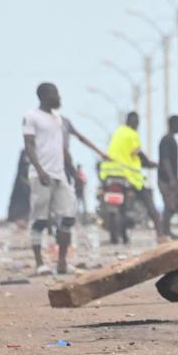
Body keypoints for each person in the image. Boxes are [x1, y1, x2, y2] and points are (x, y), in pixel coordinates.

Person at [23, 83, 105, 274]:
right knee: (40, 221)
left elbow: (62, 149)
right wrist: (40, 170)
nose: (59, 97)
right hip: (40, 175)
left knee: (68, 217)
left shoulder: (58, 119)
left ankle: (62, 262)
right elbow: (29, 146)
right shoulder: (31, 117)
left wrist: (74, 174)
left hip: (60, 175)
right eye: (55, 94)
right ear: (44, 96)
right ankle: (40, 264)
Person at [99, 112, 164, 240]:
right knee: (148, 200)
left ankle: (118, 235)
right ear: (135, 123)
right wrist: (150, 163)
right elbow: (139, 154)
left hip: (110, 174)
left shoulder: (118, 132)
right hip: (128, 176)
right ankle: (160, 234)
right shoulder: (132, 134)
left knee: (118, 206)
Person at [158, 115, 178, 238]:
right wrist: (172, 179)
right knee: (170, 205)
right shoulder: (166, 140)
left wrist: (176, 179)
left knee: (176, 204)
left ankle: (165, 230)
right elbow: (166, 160)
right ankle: (164, 231)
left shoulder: (171, 140)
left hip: (171, 178)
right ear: (173, 124)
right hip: (165, 179)